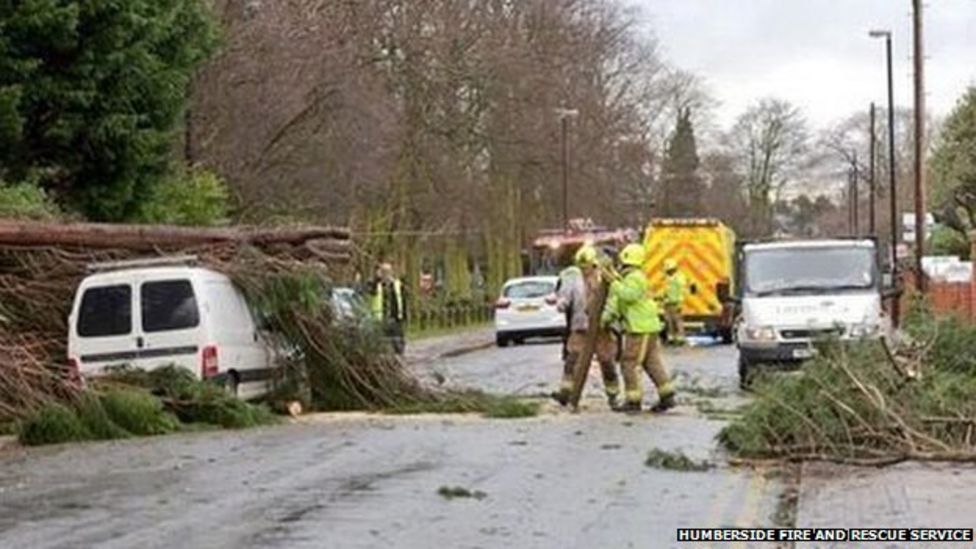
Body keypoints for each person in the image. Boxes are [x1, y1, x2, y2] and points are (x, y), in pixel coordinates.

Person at [601, 243, 676, 414]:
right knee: (651, 362)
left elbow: (629, 296)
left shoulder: (634, 277)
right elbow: (619, 302)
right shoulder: (632, 276)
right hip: (647, 326)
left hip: (640, 328)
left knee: (629, 363)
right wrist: (607, 318)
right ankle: (667, 395)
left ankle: (633, 401)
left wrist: (612, 281)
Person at [551, 245, 621, 408]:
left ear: (594, 264)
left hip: (603, 327)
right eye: (581, 268)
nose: (584, 271)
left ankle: (613, 395)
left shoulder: (605, 277)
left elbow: (614, 297)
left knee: (607, 362)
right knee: (572, 358)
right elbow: (566, 295)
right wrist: (562, 303)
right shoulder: (573, 278)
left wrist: (608, 318)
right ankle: (566, 392)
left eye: (587, 267)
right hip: (581, 325)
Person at [369, 262, 408, 355]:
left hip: (396, 319)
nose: (386, 275)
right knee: (381, 346)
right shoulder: (376, 285)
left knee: (398, 345)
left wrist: (404, 317)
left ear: (391, 273)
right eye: (384, 272)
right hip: (380, 320)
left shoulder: (398, 285)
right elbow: (371, 291)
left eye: (388, 272)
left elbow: (403, 301)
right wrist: (377, 278)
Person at [662, 258, 687, 345]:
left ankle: (680, 338)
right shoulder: (669, 278)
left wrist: (680, 303)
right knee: (669, 321)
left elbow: (681, 291)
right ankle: (671, 338)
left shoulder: (679, 278)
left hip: (675, 303)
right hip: (668, 303)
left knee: (677, 321)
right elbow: (667, 291)